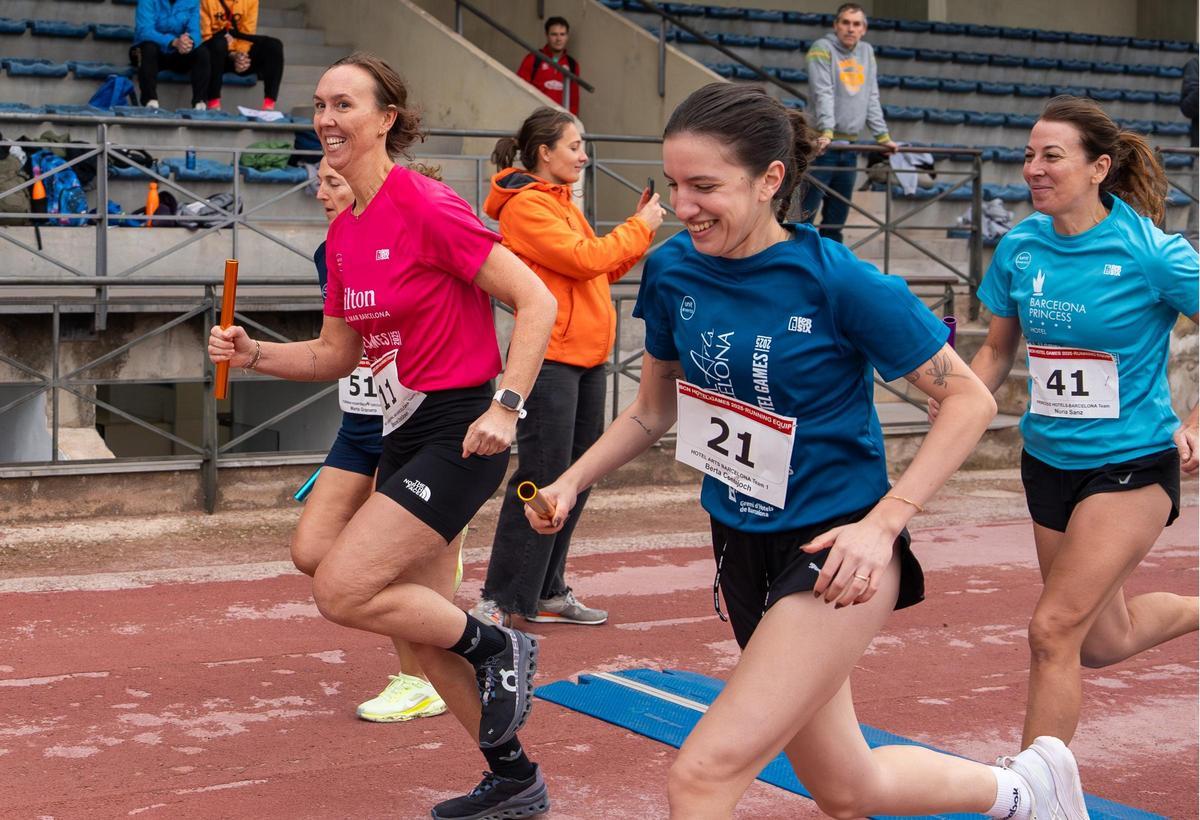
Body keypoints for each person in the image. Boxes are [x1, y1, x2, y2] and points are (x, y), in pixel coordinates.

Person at [527, 82, 1090, 820]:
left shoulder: (836, 280)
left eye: (704, 186)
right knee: (845, 785)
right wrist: (570, 482)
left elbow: (970, 400)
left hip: (838, 546)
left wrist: (884, 524)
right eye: (673, 185)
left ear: (770, 181)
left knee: (702, 777)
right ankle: (1026, 792)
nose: (683, 206)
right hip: (740, 543)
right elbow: (653, 411)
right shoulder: (671, 270)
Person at [208, 52, 558, 820]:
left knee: (341, 587)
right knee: (428, 635)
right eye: (320, 105)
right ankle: (513, 780)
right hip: (400, 430)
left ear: (386, 119)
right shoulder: (344, 238)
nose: (327, 120)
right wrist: (255, 352)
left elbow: (535, 302)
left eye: (344, 105)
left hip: (461, 428)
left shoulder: (426, 205)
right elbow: (337, 354)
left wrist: (507, 406)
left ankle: (501, 646)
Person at [933, 95, 1199, 751]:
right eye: (1028, 155)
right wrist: (956, 395)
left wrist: (1196, 419)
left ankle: (1038, 791)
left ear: (1098, 167)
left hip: (1130, 465)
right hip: (1048, 464)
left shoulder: (1154, 254)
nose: (1033, 168)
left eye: (1052, 155)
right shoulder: (1022, 246)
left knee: (1052, 631)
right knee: (1102, 642)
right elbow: (998, 349)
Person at [471, 107, 664, 628]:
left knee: (576, 478)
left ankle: (549, 589)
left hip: (584, 357)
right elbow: (584, 260)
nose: (583, 156)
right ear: (544, 152)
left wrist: (639, 231)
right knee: (538, 477)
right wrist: (637, 227)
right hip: (550, 359)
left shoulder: (558, 202)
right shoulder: (527, 206)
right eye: (575, 146)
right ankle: (497, 597)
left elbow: (599, 263)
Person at [291, 156, 464, 724]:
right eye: (318, 181)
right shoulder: (331, 252)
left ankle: (419, 679)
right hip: (360, 422)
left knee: (391, 566)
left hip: (426, 424)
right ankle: (444, 610)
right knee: (314, 552)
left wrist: (503, 403)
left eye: (333, 181)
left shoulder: (420, 234)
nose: (321, 192)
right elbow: (337, 346)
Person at [800, 2, 897, 243]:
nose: (850, 29)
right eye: (845, 23)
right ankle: (797, 272)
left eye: (856, 24)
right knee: (804, 217)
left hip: (850, 149)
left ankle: (830, 273)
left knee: (836, 220)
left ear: (864, 28)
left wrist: (882, 137)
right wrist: (827, 132)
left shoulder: (866, 52)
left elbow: (871, 96)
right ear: (836, 25)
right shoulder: (821, 48)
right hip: (821, 146)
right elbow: (823, 92)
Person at [131, 0, 219, 110]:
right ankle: (150, 101)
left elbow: (196, 32)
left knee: (202, 52)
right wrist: (173, 41)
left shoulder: (193, 2)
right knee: (148, 48)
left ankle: (200, 102)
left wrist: (188, 42)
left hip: (177, 51)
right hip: (149, 50)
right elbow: (144, 31)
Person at [199, 0, 286, 111]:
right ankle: (213, 102)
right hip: (216, 52)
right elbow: (205, 36)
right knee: (218, 44)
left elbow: (247, 33)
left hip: (238, 51)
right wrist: (230, 52)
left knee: (274, 45)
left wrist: (241, 56)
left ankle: (269, 106)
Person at [517, 17, 581, 116]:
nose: (558, 39)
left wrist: (569, 120)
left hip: (560, 121)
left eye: (562, 34)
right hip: (536, 118)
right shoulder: (533, 59)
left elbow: (574, 100)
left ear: (567, 36)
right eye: (554, 34)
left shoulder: (572, 65)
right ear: (546, 35)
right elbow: (520, 90)